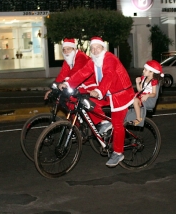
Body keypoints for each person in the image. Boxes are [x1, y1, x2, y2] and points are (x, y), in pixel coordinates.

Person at [59, 36, 135, 167]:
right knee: (86, 102)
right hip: (108, 93)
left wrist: (99, 91)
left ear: (103, 48)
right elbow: (82, 73)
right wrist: (67, 83)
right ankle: (104, 123)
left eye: (97, 48)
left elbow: (109, 75)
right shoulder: (94, 60)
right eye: (92, 49)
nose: (94, 51)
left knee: (117, 124)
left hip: (120, 93)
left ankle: (118, 152)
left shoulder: (109, 58)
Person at [133, 60, 163, 125]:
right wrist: (137, 83)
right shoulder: (144, 78)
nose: (143, 71)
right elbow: (140, 90)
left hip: (149, 100)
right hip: (142, 97)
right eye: (144, 69)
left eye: (145, 70)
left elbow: (154, 94)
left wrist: (147, 95)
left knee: (135, 101)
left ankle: (138, 119)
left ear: (151, 72)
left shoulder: (154, 81)